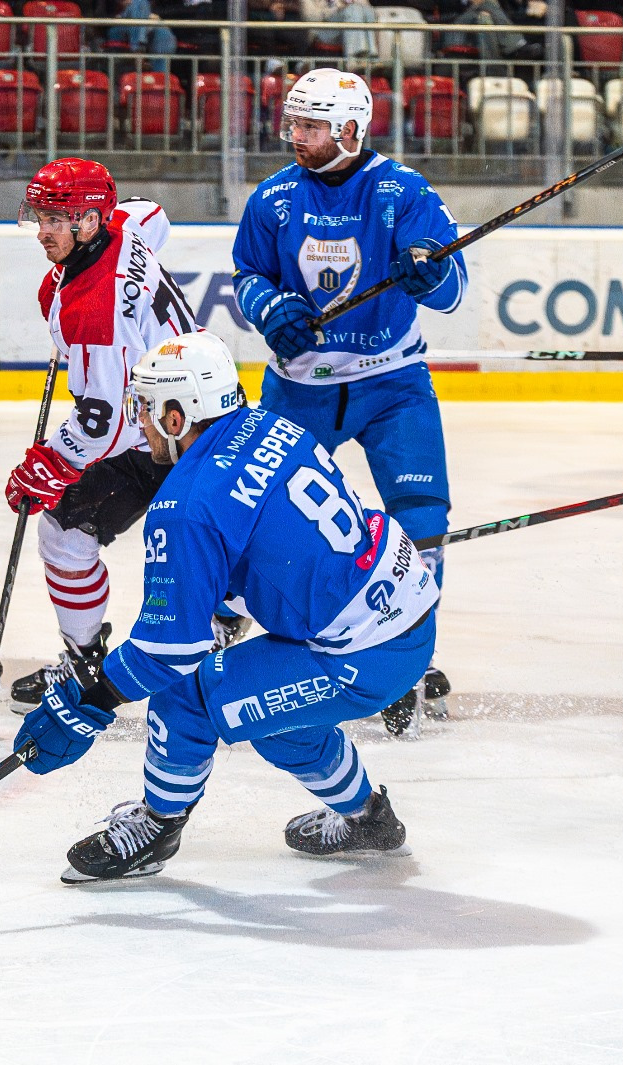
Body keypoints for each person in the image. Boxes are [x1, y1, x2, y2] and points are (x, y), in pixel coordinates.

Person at [12, 333, 438, 883]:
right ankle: (369, 819)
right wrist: (221, 605)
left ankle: (158, 826)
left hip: (362, 655)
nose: (139, 423)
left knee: (186, 695)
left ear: (174, 415)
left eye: (145, 408)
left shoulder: (186, 505)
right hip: (407, 614)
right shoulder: (273, 425)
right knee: (279, 720)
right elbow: (269, 544)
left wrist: (85, 702)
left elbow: (167, 653)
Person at [230, 68, 467, 735]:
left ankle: (407, 654)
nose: (296, 136)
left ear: (351, 130)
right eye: (295, 124)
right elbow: (248, 272)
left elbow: (452, 289)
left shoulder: (403, 190)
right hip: (299, 387)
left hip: (393, 384)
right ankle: (222, 629)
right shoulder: (274, 198)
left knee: (422, 515)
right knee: (248, 510)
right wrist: (270, 307)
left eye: (311, 127)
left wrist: (431, 268)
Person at [4, 157, 200, 712]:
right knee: (72, 529)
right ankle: (89, 660)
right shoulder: (126, 225)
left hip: (168, 439)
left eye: (55, 219)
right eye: (39, 216)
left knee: (70, 529)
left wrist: (49, 463)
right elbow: (153, 213)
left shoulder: (96, 310)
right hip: (196, 416)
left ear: (90, 222)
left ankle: (91, 665)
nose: (42, 231)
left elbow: (103, 421)